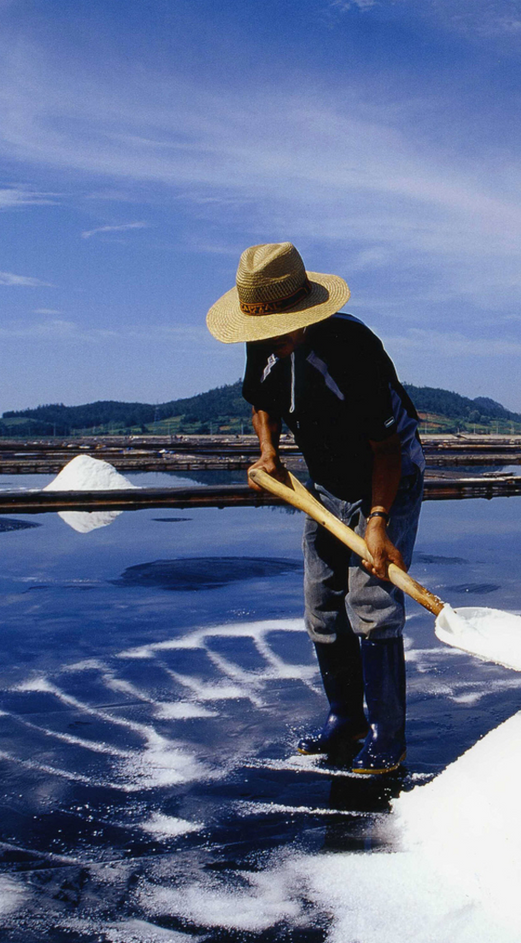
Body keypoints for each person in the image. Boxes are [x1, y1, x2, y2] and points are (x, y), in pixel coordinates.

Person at [206, 242, 424, 774]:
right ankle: (344, 718)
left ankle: (386, 735)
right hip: (322, 483)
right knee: (322, 603)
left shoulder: (352, 349)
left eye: (278, 327)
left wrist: (377, 522)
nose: (267, 341)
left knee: (371, 601)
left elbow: (387, 448)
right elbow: (261, 399)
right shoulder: (263, 339)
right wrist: (269, 453)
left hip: (385, 477)